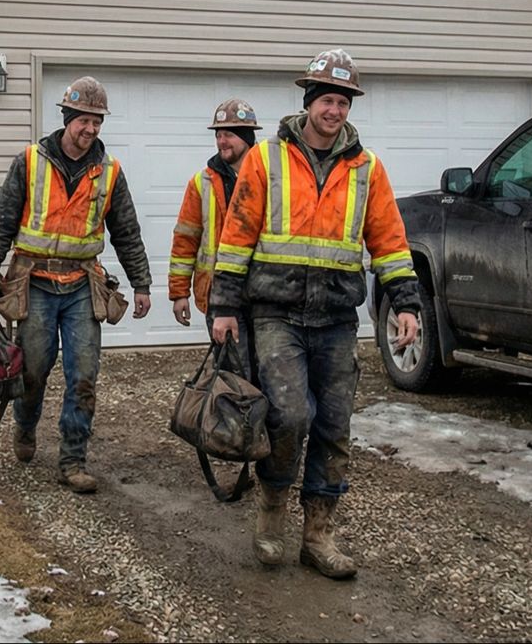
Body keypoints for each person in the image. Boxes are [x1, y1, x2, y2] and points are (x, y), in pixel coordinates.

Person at [208, 50, 421, 579]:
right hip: (275, 313)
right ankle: (272, 510)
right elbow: (236, 237)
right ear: (309, 104)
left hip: (334, 317)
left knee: (334, 425)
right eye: (327, 100)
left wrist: (407, 303)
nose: (335, 110)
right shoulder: (267, 159)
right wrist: (224, 306)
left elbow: (390, 242)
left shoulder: (366, 168)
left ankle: (318, 534)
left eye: (342, 102)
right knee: (288, 416)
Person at [0, 76, 153, 493]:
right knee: (34, 370)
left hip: (81, 285)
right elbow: (2, 221)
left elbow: (127, 232)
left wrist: (141, 283)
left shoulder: (110, 172)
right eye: (83, 121)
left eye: (97, 122)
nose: (90, 130)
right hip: (34, 282)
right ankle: (25, 424)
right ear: (67, 118)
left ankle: (73, 459)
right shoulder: (30, 162)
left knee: (84, 376)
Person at [168, 98, 260, 372]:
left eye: (229, 135)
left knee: (268, 376)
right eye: (218, 135)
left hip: (265, 295)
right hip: (218, 296)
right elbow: (185, 239)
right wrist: (178, 293)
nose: (222, 141)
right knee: (233, 376)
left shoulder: (269, 177)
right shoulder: (202, 183)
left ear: (247, 137)